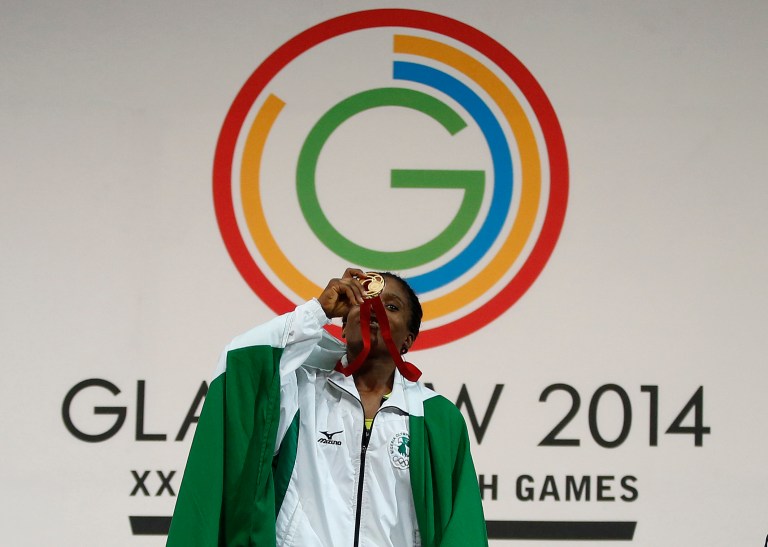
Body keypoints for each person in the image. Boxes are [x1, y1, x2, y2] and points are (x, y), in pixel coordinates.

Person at [167, 268, 488, 546]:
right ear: (344, 328)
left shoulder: (437, 419)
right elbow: (239, 361)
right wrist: (317, 311)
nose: (374, 310)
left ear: (408, 339)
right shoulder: (297, 390)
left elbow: (462, 531)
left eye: (391, 306)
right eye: (362, 304)